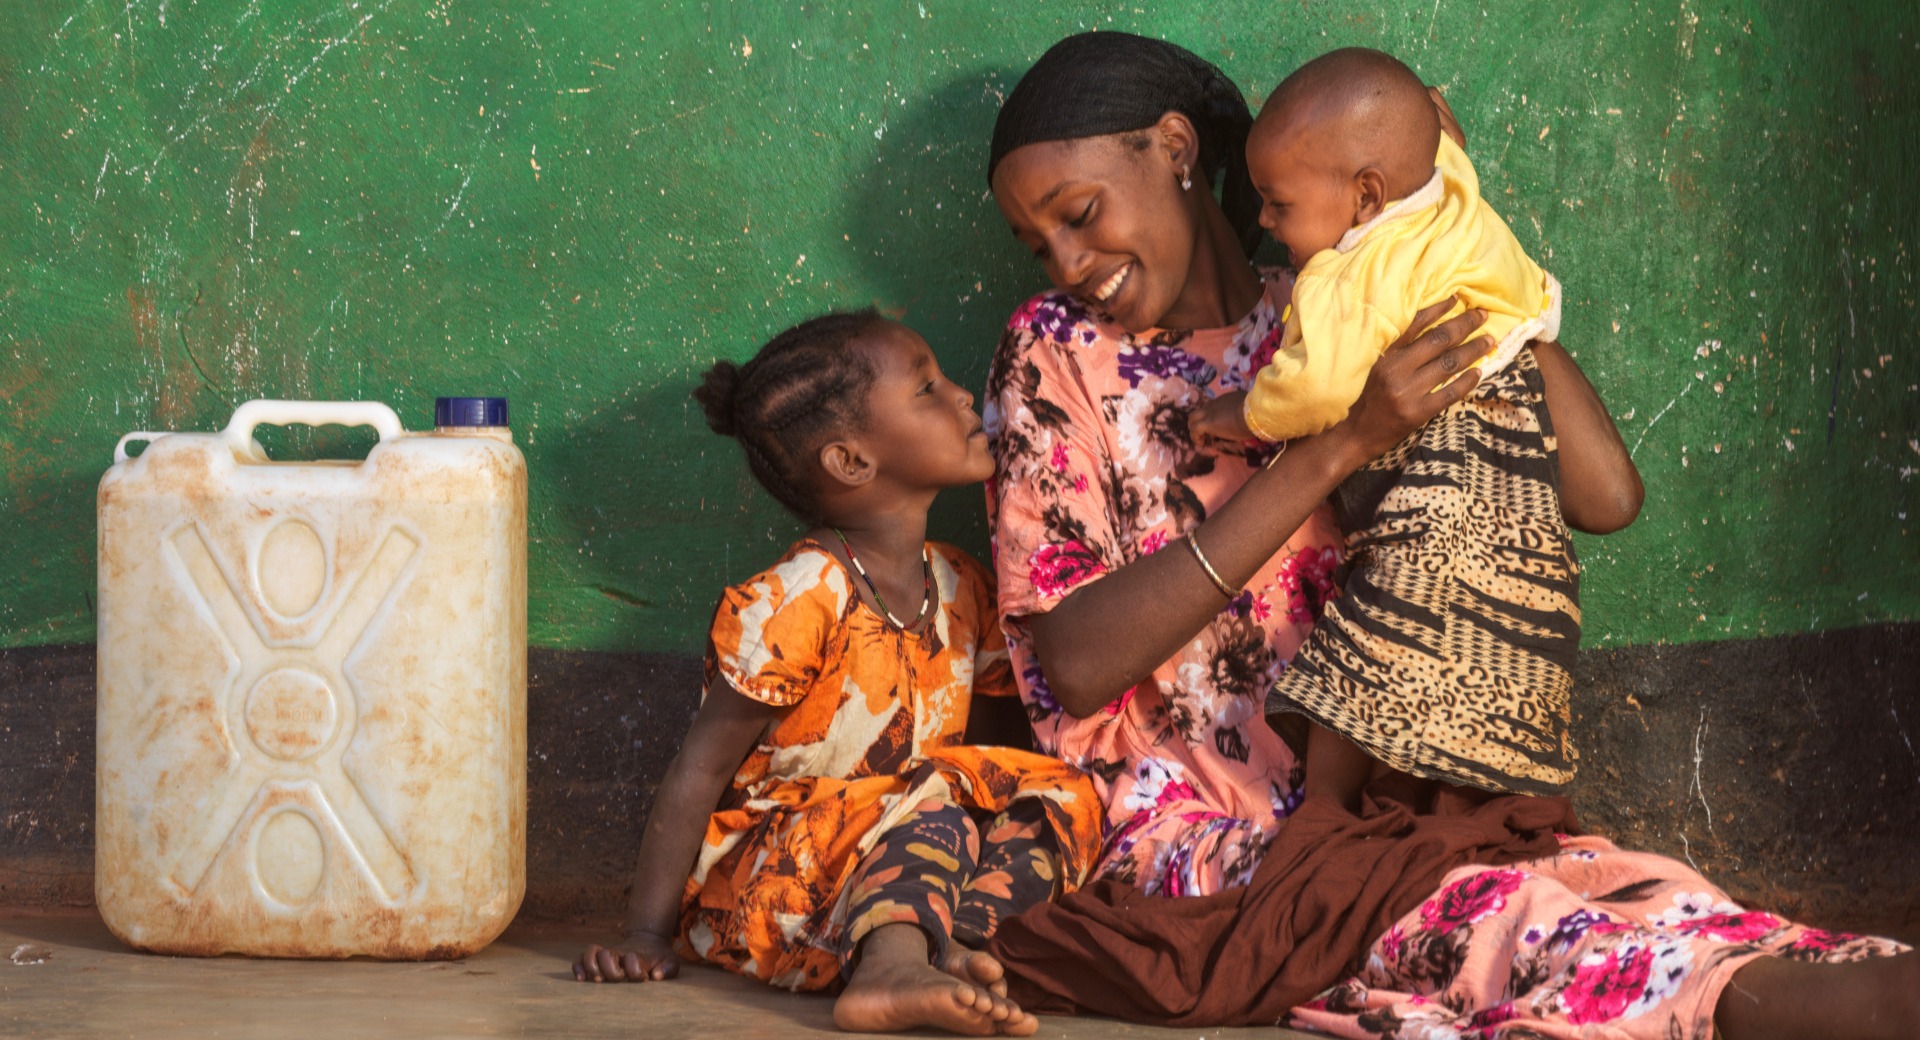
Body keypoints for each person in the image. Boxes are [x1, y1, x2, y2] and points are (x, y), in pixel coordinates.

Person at [982, 30, 1912, 1040]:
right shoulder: (1054, 355)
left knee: (1638, 890)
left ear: (1174, 148)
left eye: (1079, 216)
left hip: (1413, 789)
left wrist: (1457, 241)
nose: (1072, 263)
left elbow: (1602, 491)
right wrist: (1342, 444)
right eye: (1042, 245)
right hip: (1205, 829)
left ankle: (1816, 983)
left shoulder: (1344, 298)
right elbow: (1074, 662)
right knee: (1501, 920)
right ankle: (1776, 1007)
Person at [572, 310, 1104, 1037]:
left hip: (914, 857)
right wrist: (645, 935)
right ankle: (888, 970)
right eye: (926, 388)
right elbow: (697, 772)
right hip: (779, 889)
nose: (958, 396)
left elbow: (983, 765)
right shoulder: (799, 597)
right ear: (850, 461)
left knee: (1057, 795)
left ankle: (950, 948)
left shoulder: (959, 584)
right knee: (939, 801)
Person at [1184, 46, 1582, 808]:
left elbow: (1313, 393)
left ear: (1366, 197)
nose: (1264, 221)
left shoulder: (1339, 278)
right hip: (1526, 528)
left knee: (1353, 689)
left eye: (1277, 202)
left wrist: (1229, 415)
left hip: (1432, 536)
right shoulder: (1454, 194)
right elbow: (1446, 158)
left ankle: (1321, 832)